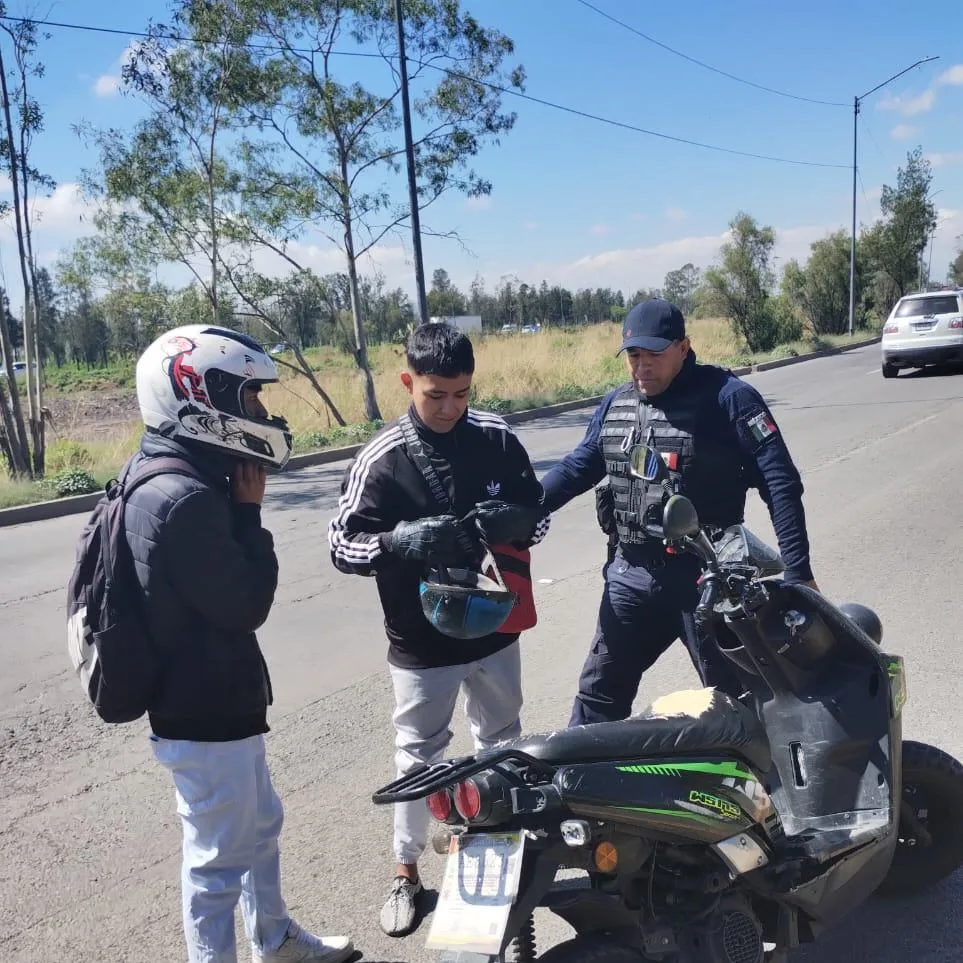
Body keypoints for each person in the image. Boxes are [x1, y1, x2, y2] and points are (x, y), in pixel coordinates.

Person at [125, 324, 354, 963]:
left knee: (259, 828)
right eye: (246, 397)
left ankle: (274, 937)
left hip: (217, 694)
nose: (258, 411)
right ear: (200, 396)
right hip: (201, 708)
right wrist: (249, 513)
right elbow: (245, 603)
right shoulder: (184, 497)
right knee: (217, 864)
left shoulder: (179, 470)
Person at [327, 322, 550, 938]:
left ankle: (497, 843)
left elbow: (539, 514)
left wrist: (518, 521)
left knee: (501, 737)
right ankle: (405, 870)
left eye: (461, 394)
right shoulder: (382, 457)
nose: (450, 407)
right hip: (420, 643)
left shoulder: (498, 439)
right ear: (408, 382)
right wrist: (395, 541)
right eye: (435, 395)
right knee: (419, 753)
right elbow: (340, 545)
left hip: (496, 628)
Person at [541, 298, 818, 727]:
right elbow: (579, 467)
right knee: (598, 696)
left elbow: (779, 481)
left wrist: (799, 573)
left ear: (684, 347)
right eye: (634, 356)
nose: (641, 366)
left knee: (737, 705)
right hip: (630, 575)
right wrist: (524, 511)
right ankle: (580, 792)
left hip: (709, 578)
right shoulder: (617, 405)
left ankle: (759, 793)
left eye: (654, 355)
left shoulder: (730, 399)